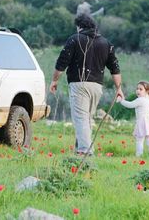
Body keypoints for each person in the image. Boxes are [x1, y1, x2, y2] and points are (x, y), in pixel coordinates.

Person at [49, 13, 123, 156]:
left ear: (79, 27)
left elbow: (61, 63)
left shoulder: (74, 39)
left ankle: (85, 152)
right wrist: (118, 89)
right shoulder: (106, 43)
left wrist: (54, 80)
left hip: (79, 84)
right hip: (97, 87)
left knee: (81, 118)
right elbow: (115, 68)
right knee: (87, 118)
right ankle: (80, 149)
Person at [117, 81, 149, 157]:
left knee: (139, 139)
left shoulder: (140, 100)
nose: (138, 90)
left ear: (147, 91)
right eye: (137, 89)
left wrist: (121, 101)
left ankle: (139, 155)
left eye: (141, 89)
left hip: (142, 121)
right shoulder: (148, 99)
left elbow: (130, 105)